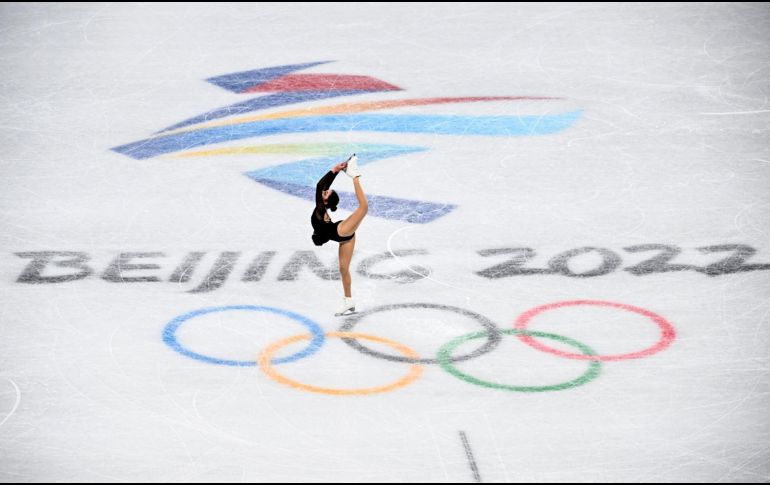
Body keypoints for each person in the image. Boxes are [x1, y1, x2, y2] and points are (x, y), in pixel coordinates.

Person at [311, 154, 368, 316]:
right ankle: (348, 301)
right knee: (343, 269)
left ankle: (354, 175)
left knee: (363, 208)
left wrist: (334, 170)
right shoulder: (322, 209)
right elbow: (322, 187)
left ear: (326, 201)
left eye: (327, 193)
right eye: (327, 192)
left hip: (341, 231)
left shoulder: (321, 209)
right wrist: (335, 171)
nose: (325, 191)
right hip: (345, 237)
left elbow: (319, 185)